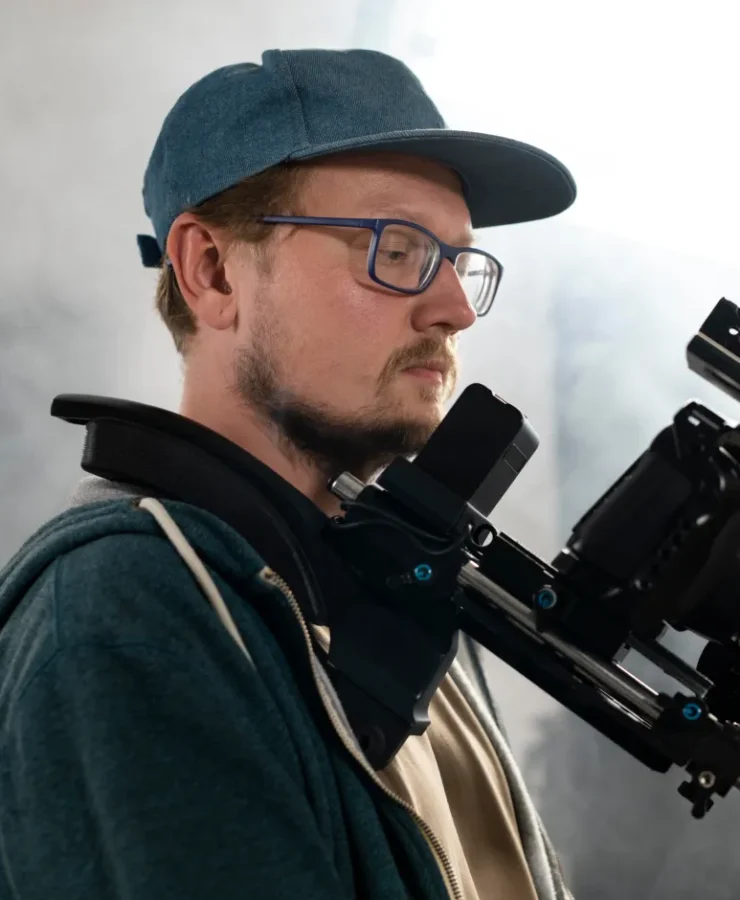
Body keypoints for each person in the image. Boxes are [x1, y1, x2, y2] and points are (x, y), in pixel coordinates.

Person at [0, 48, 576, 899]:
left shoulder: (388, 597)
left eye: (459, 260)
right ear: (212, 271)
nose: (455, 308)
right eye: (398, 248)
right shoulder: (128, 611)